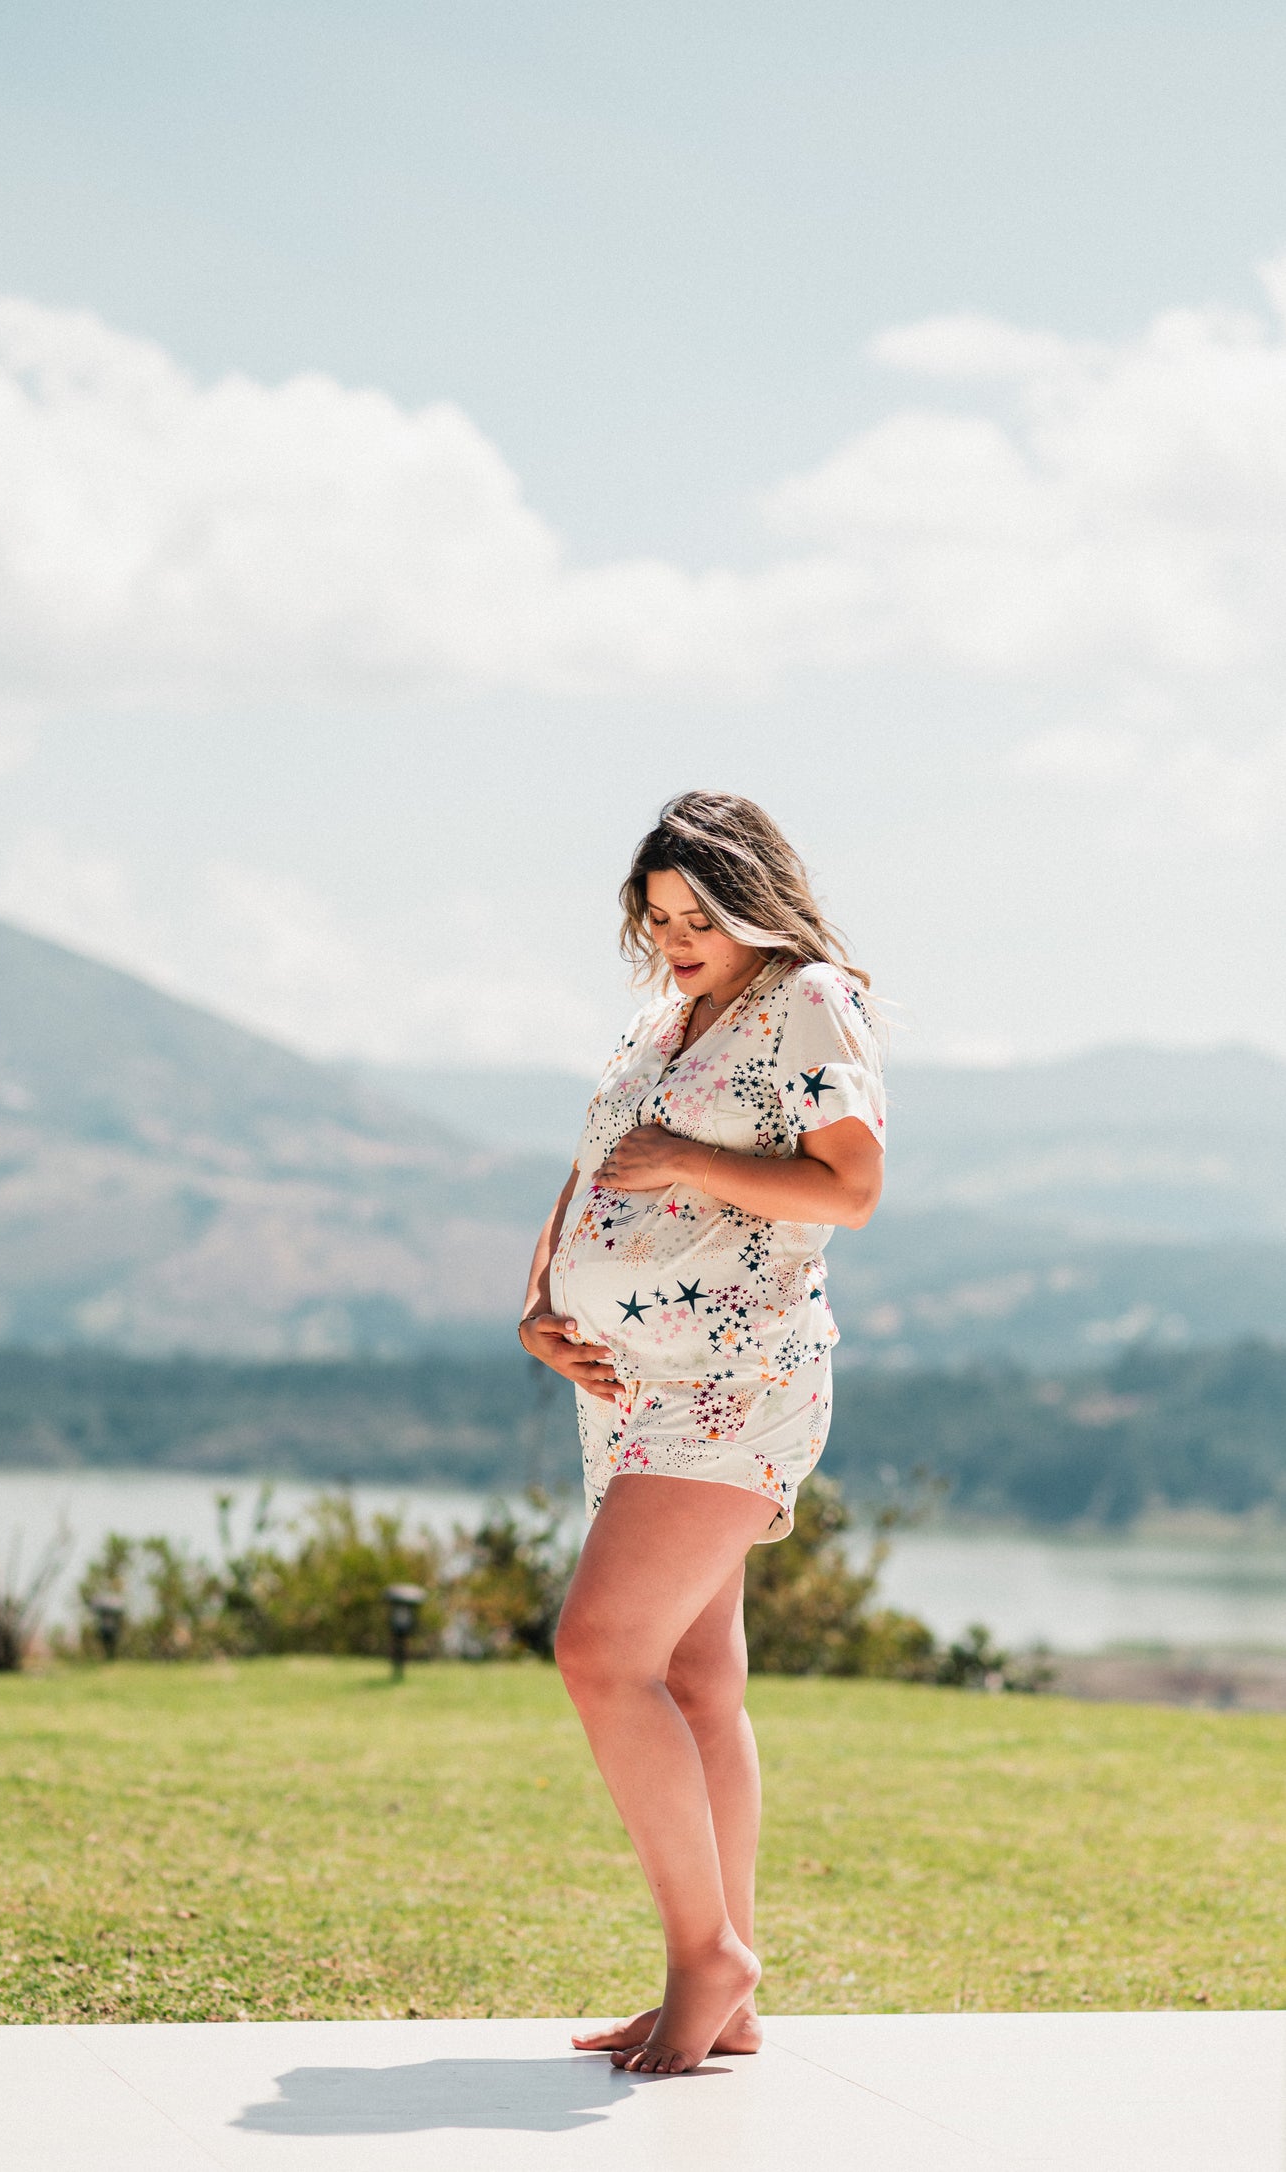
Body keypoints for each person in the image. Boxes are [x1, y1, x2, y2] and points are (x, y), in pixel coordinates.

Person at [519, 790, 885, 2076]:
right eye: (657, 919)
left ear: (754, 902)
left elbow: (850, 1186)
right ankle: (723, 1994)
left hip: (734, 1385)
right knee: (694, 1684)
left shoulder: (808, 997)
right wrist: (537, 1305)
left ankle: (707, 1954)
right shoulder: (657, 1021)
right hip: (624, 1390)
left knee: (596, 1651)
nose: (676, 939)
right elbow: (587, 1167)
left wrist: (687, 1160)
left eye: (698, 917)